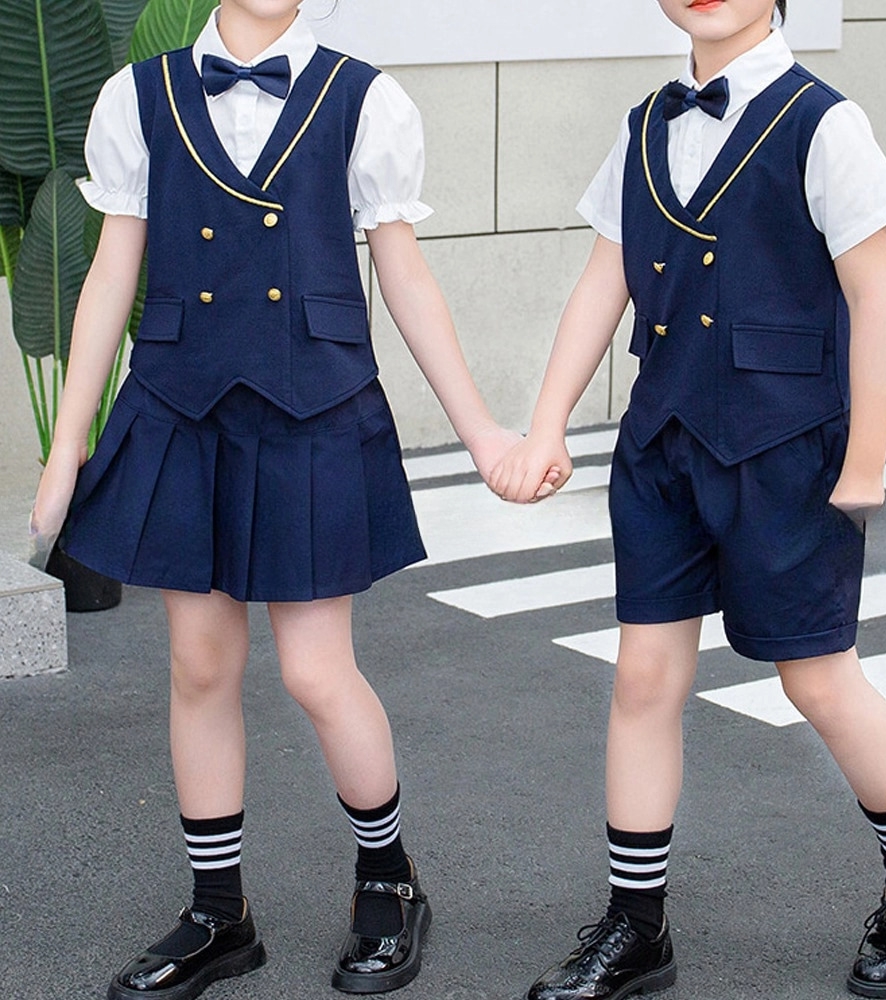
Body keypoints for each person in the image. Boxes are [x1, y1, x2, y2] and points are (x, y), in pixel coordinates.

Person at [29, 2, 526, 998]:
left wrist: (481, 429)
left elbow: (404, 273)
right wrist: (68, 443)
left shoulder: (365, 98)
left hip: (314, 407)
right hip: (182, 402)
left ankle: (389, 881)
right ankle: (220, 914)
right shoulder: (139, 95)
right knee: (200, 664)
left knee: (316, 671)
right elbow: (112, 269)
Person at [489, 2, 886, 998]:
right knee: (642, 680)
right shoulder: (643, 127)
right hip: (662, 444)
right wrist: (545, 426)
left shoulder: (823, 121)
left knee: (817, 679)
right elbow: (602, 282)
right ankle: (637, 927)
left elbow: (876, 296)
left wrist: (868, 458)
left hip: (787, 451)